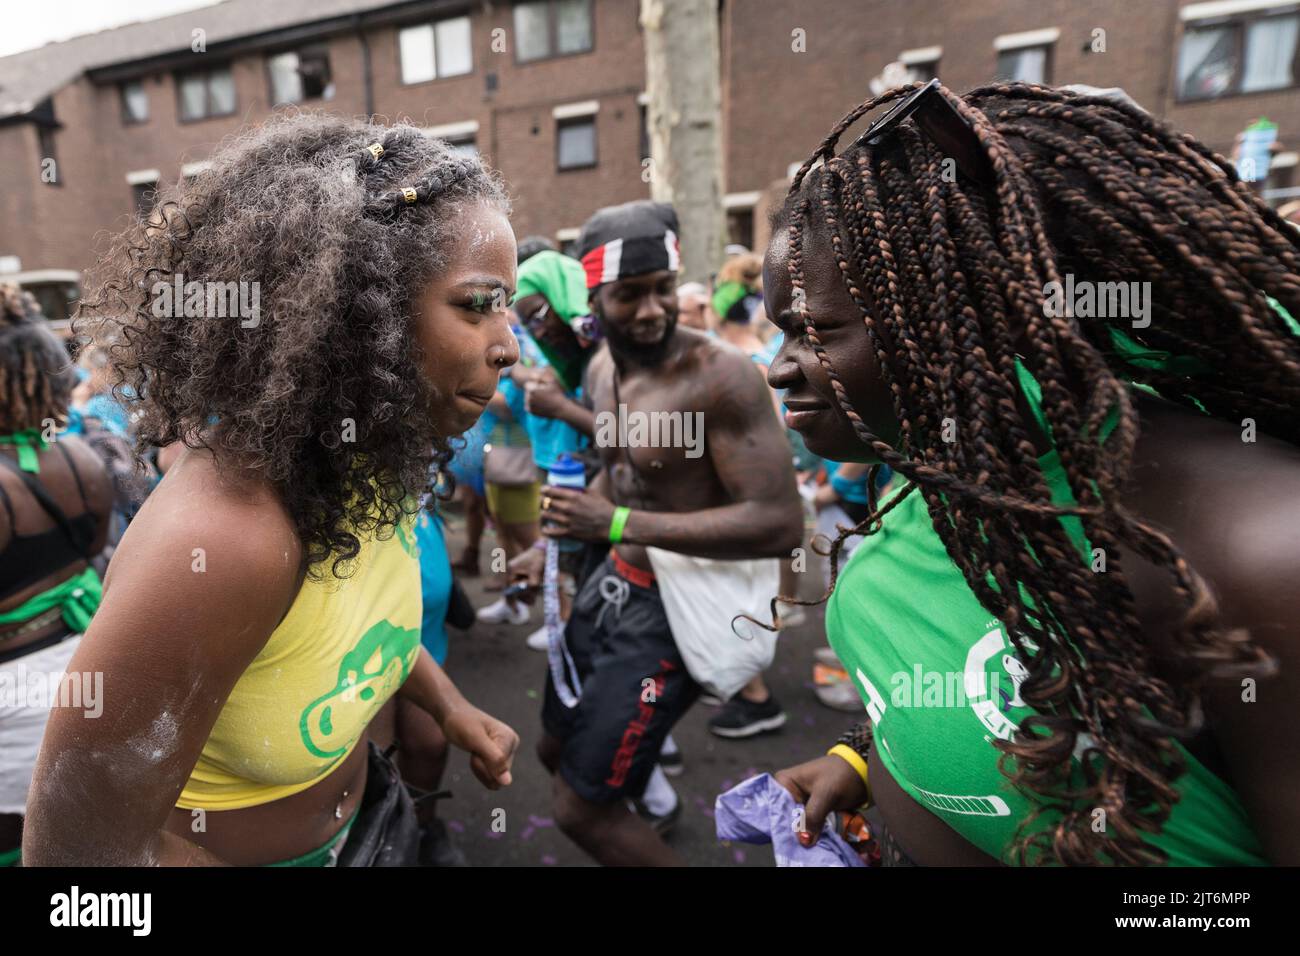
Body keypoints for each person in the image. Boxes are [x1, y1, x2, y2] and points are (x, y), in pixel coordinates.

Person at [768, 81, 1300, 865]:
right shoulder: (950, 462)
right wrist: (866, 758)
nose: (779, 370)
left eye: (813, 332)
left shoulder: (1258, 545)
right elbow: (970, 666)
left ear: (970, 321)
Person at [23, 115, 520, 866]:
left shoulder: (363, 465)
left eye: (509, 304)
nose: (509, 343)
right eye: (477, 304)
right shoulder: (222, 543)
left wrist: (448, 706)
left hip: (373, 826)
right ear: (363, 316)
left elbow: (344, 628)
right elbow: (76, 869)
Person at [528, 200, 803, 865]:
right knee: (552, 747)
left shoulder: (723, 379)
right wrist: (567, 525)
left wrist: (617, 522)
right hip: (610, 585)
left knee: (580, 808)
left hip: (671, 613)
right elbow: (626, 472)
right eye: (629, 296)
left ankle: (630, 794)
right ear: (596, 297)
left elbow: (779, 523)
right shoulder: (600, 370)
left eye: (661, 290)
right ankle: (646, 790)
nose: (651, 310)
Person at [0, 284, 114, 867]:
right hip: (83, 672)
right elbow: (87, 560)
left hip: (11, 709)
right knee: (68, 837)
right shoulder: (84, 461)